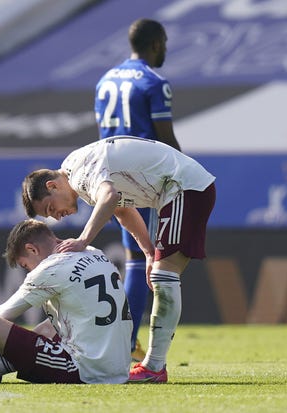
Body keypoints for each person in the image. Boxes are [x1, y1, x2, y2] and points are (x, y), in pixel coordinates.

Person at [21, 136, 216, 383]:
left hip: (184, 188)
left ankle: (155, 367)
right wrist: (147, 251)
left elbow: (110, 197)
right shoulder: (76, 167)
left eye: (50, 209)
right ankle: (154, 366)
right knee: (161, 273)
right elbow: (122, 210)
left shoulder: (80, 174)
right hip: (182, 189)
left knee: (163, 275)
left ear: (52, 186)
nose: (57, 217)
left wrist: (82, 240)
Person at [0, 219, 132, 384]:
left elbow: (0, 316)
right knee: (46, 328)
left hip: (85, 372)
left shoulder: (50, 268)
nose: (29, 272)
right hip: (119, 369)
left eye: (26, 266)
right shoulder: (94, 252)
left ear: (32, 250)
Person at [94, 18, 181, 362]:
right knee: (140, 260)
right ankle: (126, 343)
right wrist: (185, 174)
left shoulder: (105, 80)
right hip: (143, 175)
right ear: (157, 43)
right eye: (166, 43)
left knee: (135, 257)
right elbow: (166, 137)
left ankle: (126, 340)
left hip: (109, 174)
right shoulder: (154, 82)